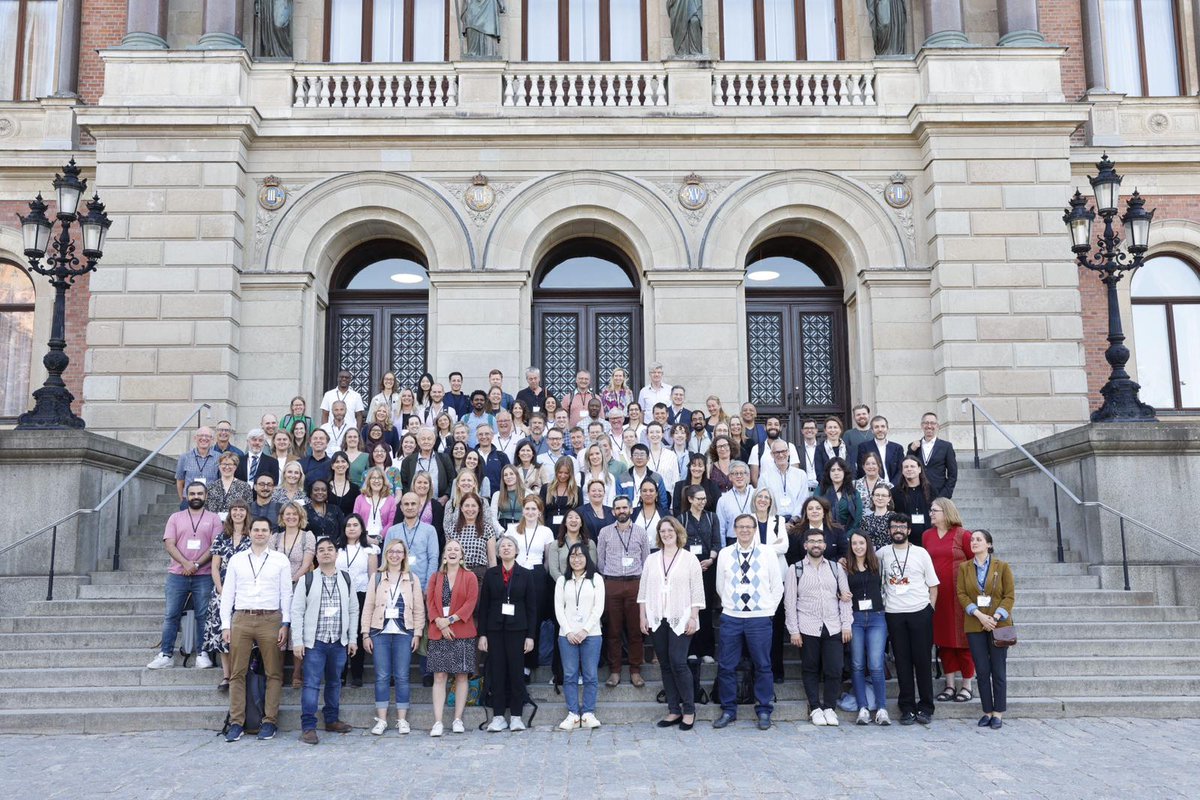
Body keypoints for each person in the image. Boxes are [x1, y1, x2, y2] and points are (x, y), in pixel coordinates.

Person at [220, 517, 291, 742]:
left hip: (270, 618)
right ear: (249, 532)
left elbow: (285, 594)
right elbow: (228, 593)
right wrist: (225, 624)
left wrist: (285, 623)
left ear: (271, 533)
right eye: (256, 529)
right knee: (237, 672)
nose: (260, 533)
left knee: (273, 672)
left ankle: (269, 721)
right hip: (241, 617)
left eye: (264, 530)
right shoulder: (237, 559)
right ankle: (236, 723)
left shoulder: (280, 560)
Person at [713, 514, 784, 730]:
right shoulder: (725, 554)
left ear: (754, 529)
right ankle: (728, 710)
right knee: (726, 665)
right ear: (734, 529)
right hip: (732, 617)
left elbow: (777, 585)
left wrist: (768, 610)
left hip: (759, 618)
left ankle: (763, 710)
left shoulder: (767, 553)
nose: (744, 530)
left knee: (763, 665)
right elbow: (719, 585)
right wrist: (730, 606)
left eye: (748, 527)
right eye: (740, 527)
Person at [639, 517, 705, 731]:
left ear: (677, 533)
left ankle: (689, 710)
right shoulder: (651, 559)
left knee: (678, 662)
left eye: (670, 530)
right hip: (657, 617)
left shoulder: (689, 559)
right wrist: (643, 616)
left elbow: (697, 590)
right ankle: (673, 710)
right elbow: (643, 591)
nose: (666, 534)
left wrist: (694, 616)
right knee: (665, 665)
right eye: (662, 531)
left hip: (681, 617)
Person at [291, 537, 359, 744]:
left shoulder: (346, 579)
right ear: (316, 555)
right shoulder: (307, 580)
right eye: (321, 550)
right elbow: (297, 611)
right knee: (311, 684)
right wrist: (298, 641)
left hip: (338, 641)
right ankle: (308, 727)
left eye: (330, 549)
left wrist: (353, 639)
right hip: (315, 643)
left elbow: (353, 610)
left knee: (335, 683)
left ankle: (331, 720)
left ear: (337, 554)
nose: (326, 552)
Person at [148, 481, 221, 670]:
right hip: (177, 575)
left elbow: (215, 546)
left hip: (203, 574)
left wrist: (196, 564)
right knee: (171, 615)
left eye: (199, 493)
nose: (196, 496)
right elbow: (169, 544)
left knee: (204, 615)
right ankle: (166, 654)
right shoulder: (175, 517)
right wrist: (186, 563)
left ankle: (202, 653)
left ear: (206, 496)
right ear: (186, 496)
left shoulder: (213, 519)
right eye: (192, 493)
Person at [784, 527, 852, 727]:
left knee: (834, 669)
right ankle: (815, 708)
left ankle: (829, 707)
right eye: (812, 541)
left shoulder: (835, 568)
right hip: (807, 626)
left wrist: (846, 625)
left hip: (833, 626)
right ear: (805, 545)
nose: (816, 544)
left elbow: (845, 598)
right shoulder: (795, 569)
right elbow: (789, 602)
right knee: (810, 668)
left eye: (819, 541)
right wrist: (793, 630)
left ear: (825, 545)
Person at [878, 512, 939, 725]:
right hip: (894, 614)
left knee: (922, 662)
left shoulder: (921, 553)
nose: (898, 530)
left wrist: (930, 609)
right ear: (889, 530)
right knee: (902, 662)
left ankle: (925, 707)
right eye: (894, 527)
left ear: (909, 531)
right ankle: (906, 707)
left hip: (920, 611)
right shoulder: (882, 554)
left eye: (902, 527)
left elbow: (933, 585)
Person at [359, 538, 424, 735]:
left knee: (403, 676)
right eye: (391, 552)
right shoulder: (377, 578)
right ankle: (382, 719)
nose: (395, 555)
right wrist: (365, 634)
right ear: (386, 555)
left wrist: (418, 633)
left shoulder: (412, 578)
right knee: (381, 676)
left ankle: (402, 720)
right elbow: (368, 606)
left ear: (404, 555)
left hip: (405, 632)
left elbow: (419, 609)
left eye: (399, 552)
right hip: (380, 632)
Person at [478, 535, 539, 732]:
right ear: (497, 552)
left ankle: (516, 716)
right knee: (497, 672)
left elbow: (532, 607)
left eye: (509, 546)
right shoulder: (491, 574)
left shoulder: (526, 574)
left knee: (516, 672)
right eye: (502, 546)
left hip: (518, 630)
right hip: (495, 629)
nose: (505, 549)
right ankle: (497, 716)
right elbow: (484, 606)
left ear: (516, 550)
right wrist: (483, 634)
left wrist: (530, 635)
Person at [957, 529, 1014, 730]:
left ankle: (998, 713)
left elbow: (1009, 596)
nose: (974, 542)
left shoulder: (1003, 567)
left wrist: (995, 617)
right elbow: (962, 594)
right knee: (981, 670)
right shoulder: (964, 568)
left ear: (989, 544)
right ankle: (986, 711)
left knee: (998, 670)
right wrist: (980, 615)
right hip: (975, 623)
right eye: (972, 539)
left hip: (999, 625)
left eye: (978, 539)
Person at [424, 540, 479, 736]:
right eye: (449, 550)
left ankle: (458, 719)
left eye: (456, 549)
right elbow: (429, 602)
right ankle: (438, 721)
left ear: (462, 555)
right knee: (439, 676)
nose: (453, 552)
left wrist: (450, 620)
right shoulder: (436, 577)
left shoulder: (470, 576)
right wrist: (439, 621)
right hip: (439, 631)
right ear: (444, 555)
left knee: (462, 675)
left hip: (462, 631)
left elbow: (471, 602)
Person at [925, 497, 976, 703]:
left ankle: (966, 685)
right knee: (944, 642)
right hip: (937, 596)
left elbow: (977, 562)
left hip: (960, 595)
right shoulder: (927, 535)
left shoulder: (963, 535)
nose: (931, 513)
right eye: (930, 510)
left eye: (935, 510)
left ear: (946, 512)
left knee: (963, 642)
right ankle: (949, 684)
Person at [595, 496, 650, 687]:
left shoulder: (641, 533)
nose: (621, 511)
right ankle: (615, 671)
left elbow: (646, 560)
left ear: (631, 509)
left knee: (635, 630)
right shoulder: (605, 532)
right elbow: (600, 561)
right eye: (617, 508)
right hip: (612, 584)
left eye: (624, 507)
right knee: (613, 630)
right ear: (613, 512)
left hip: (635, 584)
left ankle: (635, 670)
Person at [553, 542, 606, 730]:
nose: (576, 559)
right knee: (569, 675)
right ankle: (573, 713)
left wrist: (585, 630)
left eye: (580, 556)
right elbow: (559, 608)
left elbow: (598, 608)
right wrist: (568, 631)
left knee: (590, 675)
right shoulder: (562, 581)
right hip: (566, 635)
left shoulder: (596, 579)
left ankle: (589, 713)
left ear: (587, 558)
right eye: (573, 556)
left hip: (591, 634)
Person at [203, 500, 252, 691]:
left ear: (247, 513)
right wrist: (221, 590)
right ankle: (226, 675)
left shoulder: (252, 536)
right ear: (229, 513)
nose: (238, 513)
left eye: (241, 510)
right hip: (222, 591)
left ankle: (240, 674)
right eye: (235, 510)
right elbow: (215, 567)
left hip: (245, 591)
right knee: (223, 633)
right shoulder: (222, 537)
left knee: (242, 634)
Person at [507, 496, 556, 682]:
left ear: (540, 511)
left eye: (534, 509)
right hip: (516, 573)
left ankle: (528, 665)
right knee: (516, 616)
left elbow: (547, 560)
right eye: (527, 508)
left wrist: (540, 575)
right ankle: (515, 661)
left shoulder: (545, 531)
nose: (530, 512)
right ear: (523, 510)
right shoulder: (512, 529)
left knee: (533, 618)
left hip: (536, 574)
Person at [271, 501, 317, 688]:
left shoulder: (308, 536)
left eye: (294, 514)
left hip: (300, 587)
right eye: (287, 514)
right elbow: (271, 562)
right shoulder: (274, 537)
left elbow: (307, 563)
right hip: (277, 589)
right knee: (279, 629)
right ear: (282, 517)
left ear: (300, 517)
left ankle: (297, 673)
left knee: (298, 628)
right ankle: (278, 673)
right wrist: (282, 583)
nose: (291, 517)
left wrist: (293, 580)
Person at [846, 531, 889, 725]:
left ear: (867, 544)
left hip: (876, 617)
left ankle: (881, 708)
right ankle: (862, 708)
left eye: (861, 543)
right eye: (854, 543)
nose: (858, 547)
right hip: (854, 618)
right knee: (857, 664)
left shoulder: (878, 563)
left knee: (876, 664)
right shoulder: (845, 566)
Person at [335, 514, 377, 687]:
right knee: (341, 632)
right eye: (348, 525)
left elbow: (373, 577)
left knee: (359, 633)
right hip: (338, 594)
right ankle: (341, 672)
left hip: (361, 593)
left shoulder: (370, 550)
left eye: (355, 525)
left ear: (362, 529)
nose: (352, 528)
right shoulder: (337, 548)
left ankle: (357, 673)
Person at [445, 491, 499, 582]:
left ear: (479, 508)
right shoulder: (451, 530)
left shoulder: (487, 529)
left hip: (479, 576)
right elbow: (447, 556)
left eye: (473, 506)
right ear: (461, 508)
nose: (470, 509)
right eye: (466, 506)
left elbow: (492, 559)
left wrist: (494, 581)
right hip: (456, 574)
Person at [910, 411, 958, 498]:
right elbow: (907, 466)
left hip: (939, 494)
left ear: (937, 426)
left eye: (932, 423)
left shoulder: (946, 446)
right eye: (926, 423)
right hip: (917, 493)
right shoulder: (914, 446)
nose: (929, 426)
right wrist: (911, 451)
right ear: (921, 426)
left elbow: (953, 474)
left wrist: (945, 494)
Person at [757, 439, 807, 517]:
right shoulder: (764, 477)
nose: (780, 455)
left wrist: (793, 520)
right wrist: (778, 522)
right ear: (771, 455)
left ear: (788, 452)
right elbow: (763, 502)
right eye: (777, 452)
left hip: (797, 522)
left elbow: (803, 500)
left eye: (783, 451)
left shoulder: (801, 475)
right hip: (774, 521)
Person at [892, 455, 934, 544]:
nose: (909, 469)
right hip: (906, 540)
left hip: (929, 538)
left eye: (912, 466)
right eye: (906, 467)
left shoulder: (931, 490)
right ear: (902, 471)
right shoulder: (895, 492)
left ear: (919, 469)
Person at [175, 427, 220, 508]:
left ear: (212, 439)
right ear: (195, 438)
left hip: (210, 502)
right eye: (201, 435)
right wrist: (183, 499)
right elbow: (180, 481)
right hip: (189, 501)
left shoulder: (219, 458)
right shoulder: (184, 457)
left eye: (207, 436)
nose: (204, 438)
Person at [354, 467, 397, 547]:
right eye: (373, 478)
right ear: (368, 481)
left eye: (379, 478)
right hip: (362, 539)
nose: (376, 481)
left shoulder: (391, 500)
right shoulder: (360, 498)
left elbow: (391, 522)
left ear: (384, 480)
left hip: (383, 540)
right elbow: (355, 520)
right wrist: (365, 537)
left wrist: (379, 537)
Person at [819, 457, 862, 536]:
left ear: (845, 472)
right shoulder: (820, 490)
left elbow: (857, 519)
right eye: (833, 470)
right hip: (824, 534)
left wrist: (847, 536)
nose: (836, 473)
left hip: (848, 535)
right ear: (828, 473)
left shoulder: (854, 493)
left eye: (839, 470)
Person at [715, 460, 754, 543]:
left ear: (747, 476)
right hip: (732, 541)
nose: (739, 476)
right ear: (730, 477)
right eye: (735, 474)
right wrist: (722, 549)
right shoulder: (723, 500)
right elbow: (721, 528)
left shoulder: (756, 495)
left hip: (754, 540)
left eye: (742, 473)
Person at [857, 415, 903, 483]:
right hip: (873, 487)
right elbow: (862, 469)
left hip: (894, 488)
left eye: (883, 426)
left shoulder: (897, 448)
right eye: (876, 427)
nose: (880, 430)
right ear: (872, 430)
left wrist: (892, 486)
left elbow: (901, 469)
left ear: (887, 428)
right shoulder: (863, 447)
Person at [206, 452, 251, 519]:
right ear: (219, 466)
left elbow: (248, 508)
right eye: (224, 464)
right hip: (214, 524)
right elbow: (206, 509)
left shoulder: (244, 487)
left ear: (235, 467)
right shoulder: (210, 487)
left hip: (235, 524)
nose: (227, 467)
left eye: (230, 464)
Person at [813, 415, 855, 481]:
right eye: (830, 427)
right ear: (825, 430)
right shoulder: (819, 449)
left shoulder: (849, 449)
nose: (833, 430)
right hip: (827, 488)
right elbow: (819, 473)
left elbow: (853, 471)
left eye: (835, 427)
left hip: (847, 488)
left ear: (840, 430)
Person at [306, 479, 344, 544]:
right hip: (310, 550)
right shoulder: (302, 510)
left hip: (333, 549)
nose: (320, 492)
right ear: (310, 492)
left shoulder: (335, 509)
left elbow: (343, 530)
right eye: (316, 490)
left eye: (323, 490)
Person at [860, 483, 895, 550]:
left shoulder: (895, 518)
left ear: (889, 498)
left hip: (890, 555)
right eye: (877, 495)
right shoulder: (865, 519)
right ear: (873, 497)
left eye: (884, 495)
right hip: (872, 556)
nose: (880, 498)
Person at [328, 452, 361, 517]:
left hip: (349, 526)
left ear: (348, 465)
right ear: (332, 466)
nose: (340, 464)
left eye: (343, 461)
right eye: (337, 462)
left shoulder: (355, 489)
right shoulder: (325, 487)